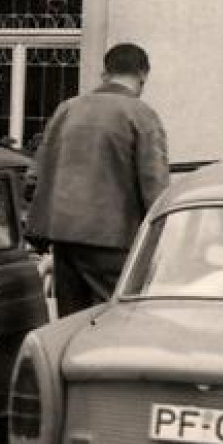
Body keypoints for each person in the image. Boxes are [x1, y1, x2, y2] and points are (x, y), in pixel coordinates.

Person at [26, 42, 170, 316]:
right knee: (114, 319)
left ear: (105, 72)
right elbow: (155, 186)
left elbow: (36, 174)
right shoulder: (141, 115)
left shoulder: (68, 108)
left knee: (72, 319)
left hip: (63, 237)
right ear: (143, 75)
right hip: (113, 239)